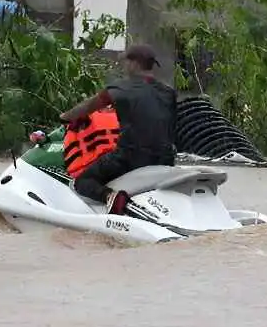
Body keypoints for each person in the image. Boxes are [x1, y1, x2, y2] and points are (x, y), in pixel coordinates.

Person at [59, 43, 178, 215]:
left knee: (83, 180)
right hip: (166, 159)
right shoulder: (169, 92)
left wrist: (64, 117)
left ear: (134, 64)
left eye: (125, 62)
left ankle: (110, 197)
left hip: (130, 159)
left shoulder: (120, 89)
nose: (124, 66)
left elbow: (87, 107)